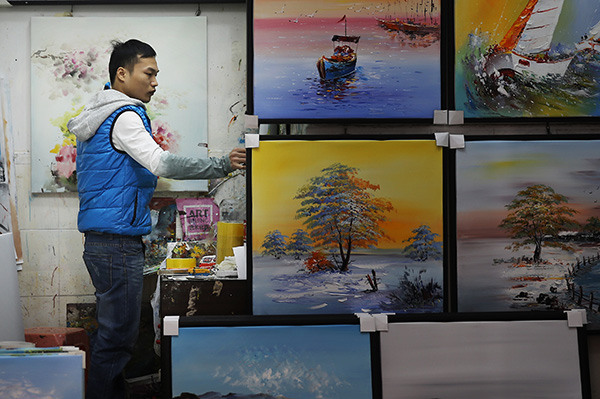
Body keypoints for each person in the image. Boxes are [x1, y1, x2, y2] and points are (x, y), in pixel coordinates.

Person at [67, 39, 246, 399]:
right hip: (116, 244)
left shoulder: (100, 114)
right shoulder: (124, 115)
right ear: (122, 74)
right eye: (148, 73)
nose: (155, 82)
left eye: (156, 75)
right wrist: (221, 163)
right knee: (117, 339)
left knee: (114, 336)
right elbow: (160, 163)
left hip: (106, 241)